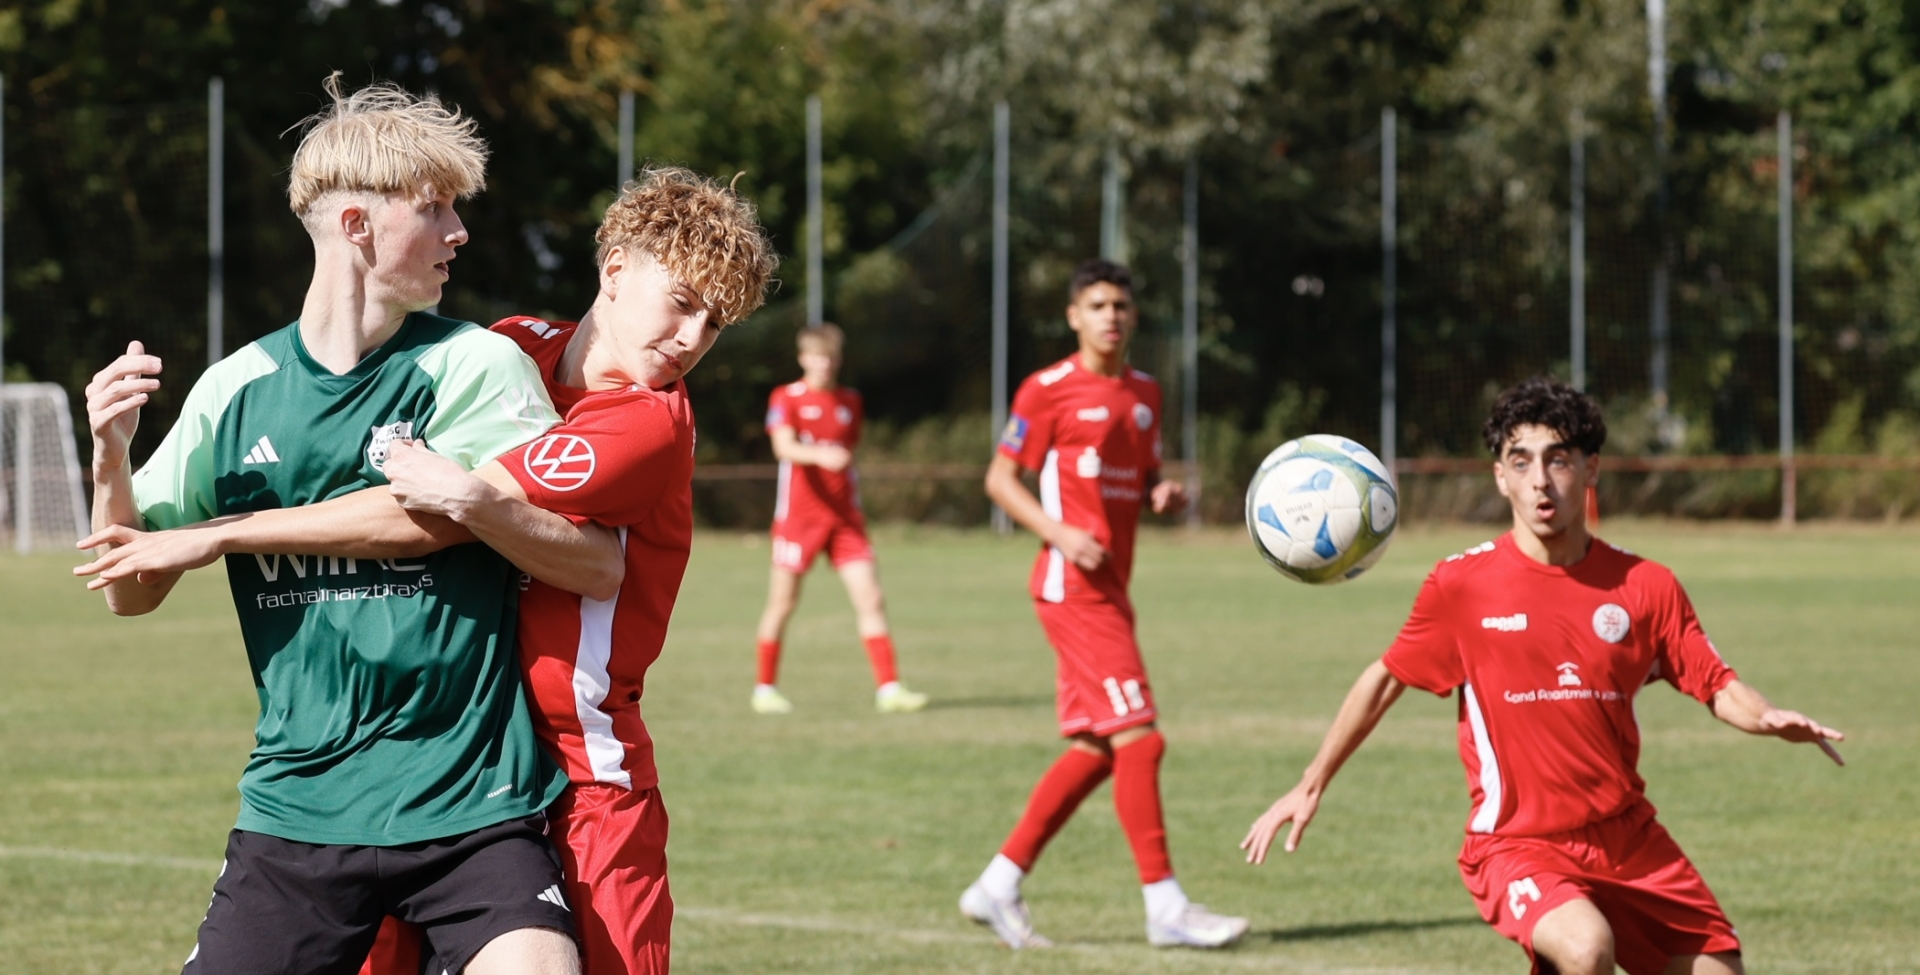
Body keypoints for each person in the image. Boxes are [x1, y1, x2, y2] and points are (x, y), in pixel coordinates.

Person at [75, 75, 586, 975]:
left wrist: (226, 531)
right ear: (357, 225)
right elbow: (130, 590)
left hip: (472, 806)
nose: (458, 232)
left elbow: (429, 519)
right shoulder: (236, 388)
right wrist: (110, 460)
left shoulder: (476, 363)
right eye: (434, 208)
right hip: (297, 813)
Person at [1240, 377, 1846, 975]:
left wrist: (1766, 717)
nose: (1540, 480)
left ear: (1591, 469)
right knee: (1586, 948)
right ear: (1500, 477)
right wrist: (1312, 783)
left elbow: (1716, 682)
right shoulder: (1461, 586)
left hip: (1627, 838)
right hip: (1517, 842)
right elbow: (1386, 678)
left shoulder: (1646, 586)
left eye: (1558, 460)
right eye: (1520, 461)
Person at [958, 259, 1249, 950]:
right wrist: (1059, 532)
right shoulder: (1047, 389)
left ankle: (996, 885)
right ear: (1073, 316)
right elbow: (1000, 480)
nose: (1110, 316)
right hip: (1071, 587)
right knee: (1141, 738)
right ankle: (1166, 906)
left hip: (1112, 588)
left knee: (1096, 748)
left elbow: (1143, 474)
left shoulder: (1145, 393)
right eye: (1096, 305)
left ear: (1133, 316)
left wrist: (1159, 493)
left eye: (1120, 305)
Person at [749, 322, 929, 715]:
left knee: (872, 598)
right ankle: (764, 689)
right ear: (803, 358)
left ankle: (890, 689)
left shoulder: (850, 401)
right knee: (783, 603)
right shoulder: (787, 397)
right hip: (799, 520)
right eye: (816, 357)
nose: (824, 364)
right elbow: (783, 447)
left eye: (830, 357)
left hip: (845, 520)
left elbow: (849, 452)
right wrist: (819, 454)